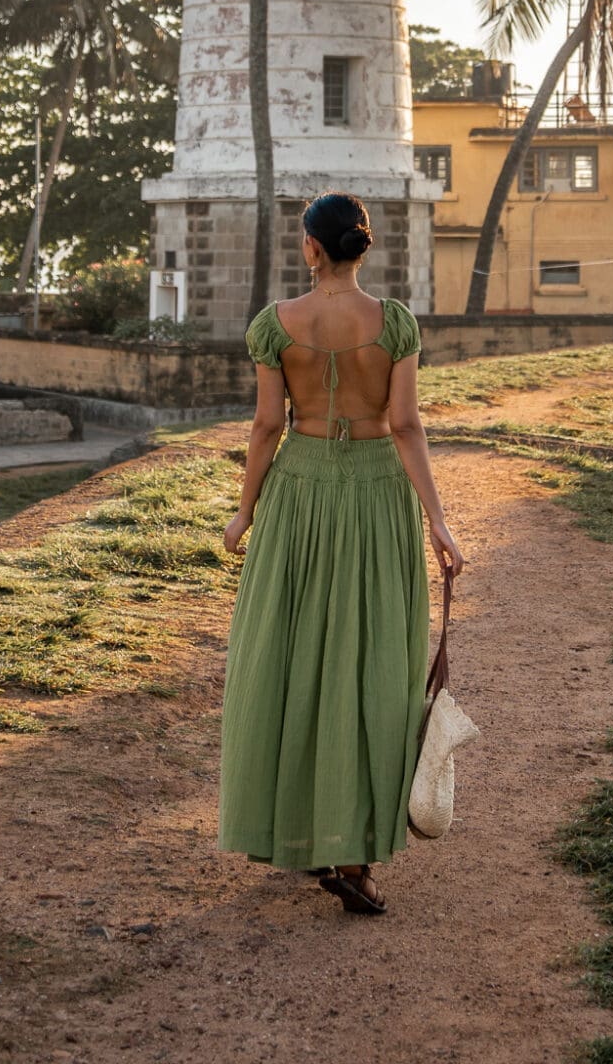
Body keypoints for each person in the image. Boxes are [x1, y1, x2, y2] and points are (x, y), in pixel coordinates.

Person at [217, 190, 465, 916]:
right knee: (372, 665)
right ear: (362, 249)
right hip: (378, 494)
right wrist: (439, 523)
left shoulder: (274, 326)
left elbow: (267, 425)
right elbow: (406, 424)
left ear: (310, 249)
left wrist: (244, 510)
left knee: (291, 658)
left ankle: (298, 831)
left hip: (297, 491)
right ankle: (354, 856)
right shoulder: (393, 323)